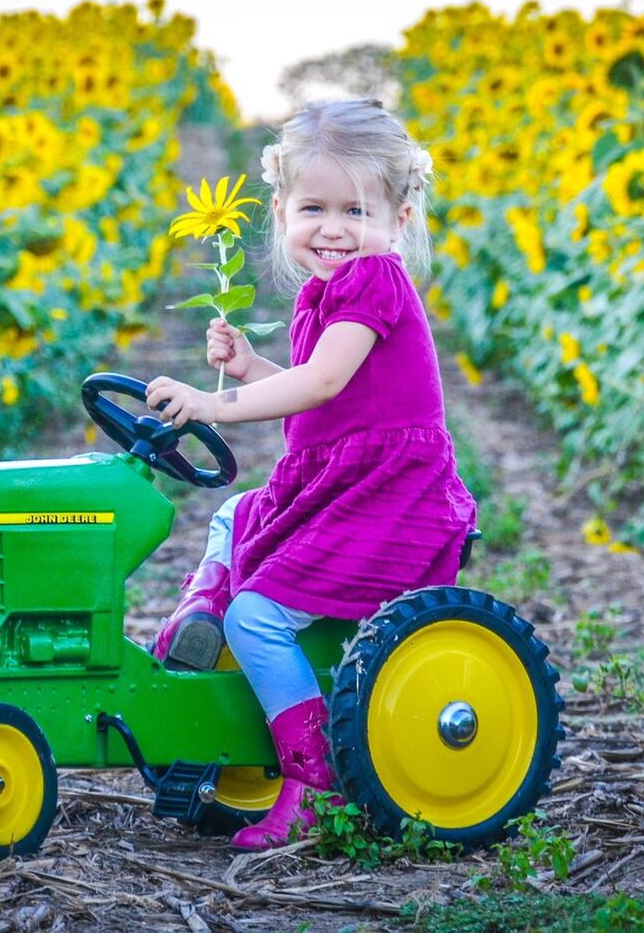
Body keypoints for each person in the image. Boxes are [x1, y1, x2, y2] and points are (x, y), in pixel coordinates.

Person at [144, 98, 478, 851]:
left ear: (399, 216)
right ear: (283, 210)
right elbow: (320, 394)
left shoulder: (375, 282)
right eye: (314, 207)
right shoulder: (321, 294)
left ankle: (313, 776)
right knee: (234, 515)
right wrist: (252, 366)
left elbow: (322, 385)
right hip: (342, 482)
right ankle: (199, 617)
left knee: (257, 617)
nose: (333, 228)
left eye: (356, 209)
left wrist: (215, 402)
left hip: (389, 498)